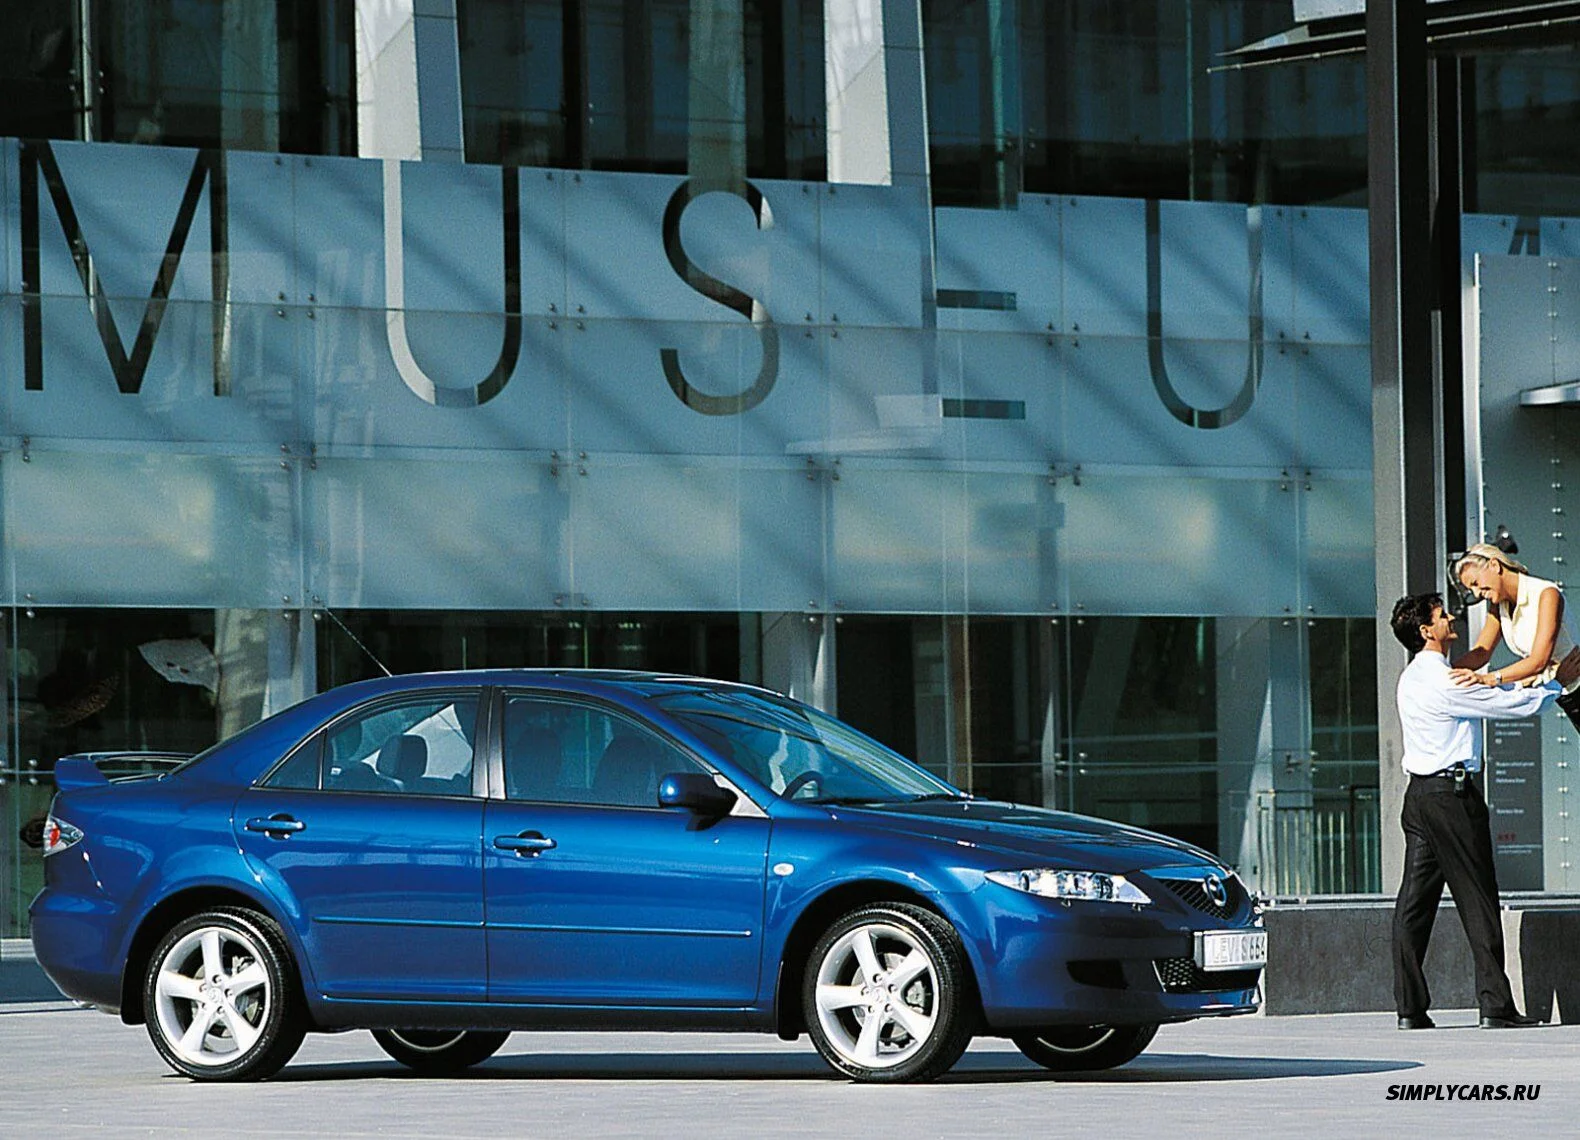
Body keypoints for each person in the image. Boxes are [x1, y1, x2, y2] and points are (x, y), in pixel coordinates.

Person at [1388, 592, 1580, 1031]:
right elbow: (1504, 704)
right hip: (1452, 798)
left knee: (1413, 905)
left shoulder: (1411, 678)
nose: (1450, 617)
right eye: (1442, 615)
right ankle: (1495, 1005)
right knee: (1478, 899)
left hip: (1419, 798)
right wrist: (1556, 683)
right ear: (1426, 631)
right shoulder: (1445, 680)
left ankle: (1410, 1009)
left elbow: (1488, 675)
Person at [1450, 543, 1580, 732]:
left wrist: (1488, 679)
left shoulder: (1547, 594)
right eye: (1471, 590)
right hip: (1566, 694)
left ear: (1494, 565)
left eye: (1475, 583)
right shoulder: (1498, 605)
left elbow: (1538, 661)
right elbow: (1480, 653)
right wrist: (1443, 672)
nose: (1477, 594)